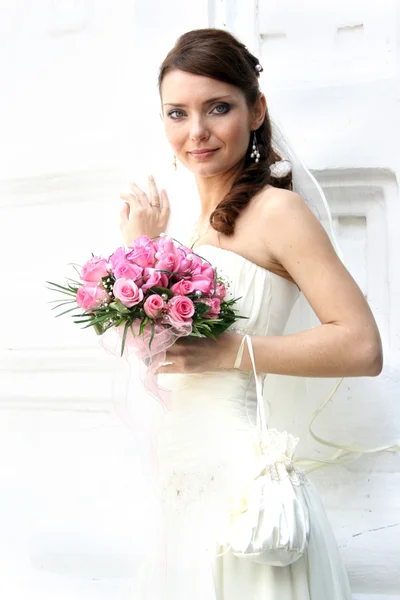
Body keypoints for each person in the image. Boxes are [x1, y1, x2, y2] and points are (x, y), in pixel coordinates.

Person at [118, 28, 383, 600]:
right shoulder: (188, 231)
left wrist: (231, 351)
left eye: (218, 108)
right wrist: (143, 251)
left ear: (256, 109)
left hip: (241, 483)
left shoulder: (277, 212)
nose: (197, 131)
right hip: (184, 476)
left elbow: (362, 347)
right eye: (177, 112)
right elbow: (159, 359)